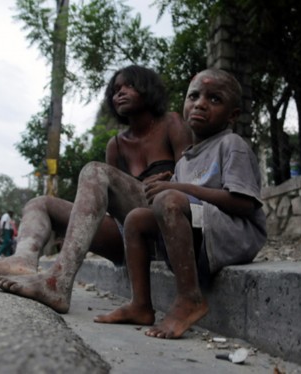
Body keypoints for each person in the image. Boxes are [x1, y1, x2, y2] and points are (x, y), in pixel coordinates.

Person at [0, 65, 193, 310]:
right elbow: (111, 207)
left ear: (147, 88)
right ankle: (21, 261)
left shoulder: (171, 123)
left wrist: (169, 183)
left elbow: (195, 183)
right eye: (116, 89)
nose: (120, 93)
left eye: (128, 86)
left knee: (94, 171)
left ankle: (59, 280)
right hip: (127, 236)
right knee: (39, 203)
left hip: (165, 227)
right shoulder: (117, 145)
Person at [94, 68, 267, 338]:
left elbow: (244, 204)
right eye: (194, 96)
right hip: (205, 232)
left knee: (170, 198)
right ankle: (140, 304)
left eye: (214, 99)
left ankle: (190, 299)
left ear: (232, 115)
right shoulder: (187, 159)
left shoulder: (231, 144)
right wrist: (171, 182)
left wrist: (178, 187)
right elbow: (180, 200)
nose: (200, 104)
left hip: (235, 236)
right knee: (137, 218)